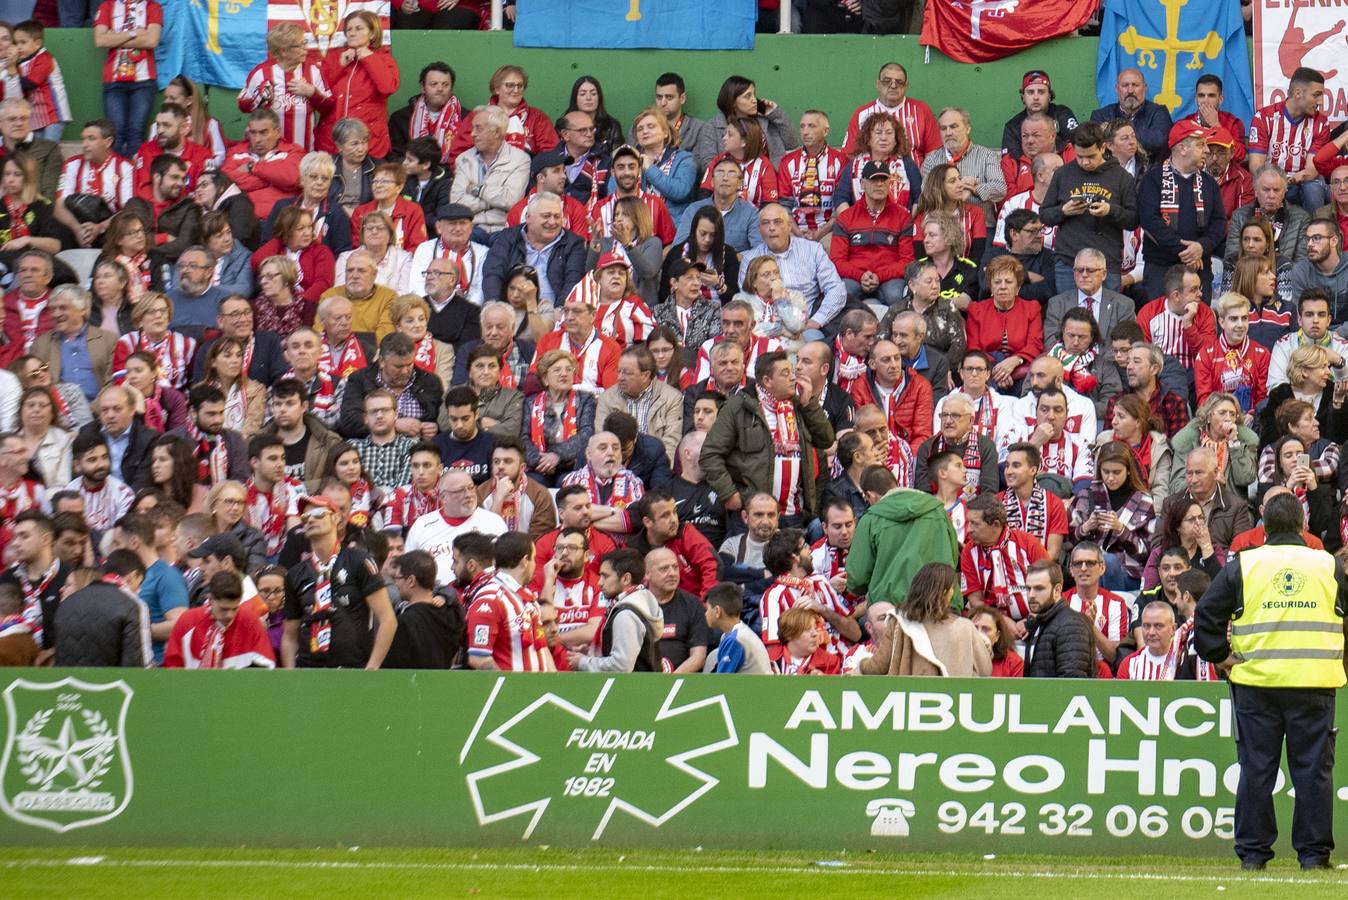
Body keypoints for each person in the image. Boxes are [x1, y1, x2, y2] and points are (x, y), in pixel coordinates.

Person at [1195, 492, 1345, 870]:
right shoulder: (1328, 565)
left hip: (1256, 685)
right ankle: (1313, 856)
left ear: (1263, 529)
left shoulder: (1243, 565)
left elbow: (1205, 616)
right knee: (1313, 772)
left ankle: (1253, 855)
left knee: (1257, 770)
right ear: (1303, 526)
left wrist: (1220, 655)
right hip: (1313, 683)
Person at [281, 494, 395, 669]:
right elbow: (289, 636)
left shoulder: (359, 561)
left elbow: (387, 619)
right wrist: (291, 675)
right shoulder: (295, 574)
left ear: (336, 518)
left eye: (319, 513)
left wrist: (371, 669)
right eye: (305, 517)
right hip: (308, 673)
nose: (310, 519)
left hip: (352, 671)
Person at [1039, 123, 1139, 291]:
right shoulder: (1063, 174)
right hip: (1068, 261)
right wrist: (1063, 211)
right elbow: (1044, 215)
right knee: (1068, 314)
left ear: (1103, 147)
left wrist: (1110, 210)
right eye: (1079, 156)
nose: (1085, 162)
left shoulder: (1122, 177)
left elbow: (1133, 220)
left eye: (1091, 156)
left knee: (1106, 315)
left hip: (1106, 262)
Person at [845, 461, 960, 599]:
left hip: (892, 610)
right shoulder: (938, 510)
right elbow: (954, 556)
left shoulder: (870, 519)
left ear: (870, 495)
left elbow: (857, 579)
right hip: (941, 603)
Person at [1138, 122, 1228, 298]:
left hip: (1199, 268)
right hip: (1161, 269)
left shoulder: (1209, 184)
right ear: (1182, 148)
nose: (1207, 151)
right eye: (1201, 144)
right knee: (1160, 323)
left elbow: (1219, 223)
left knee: (1198, 323)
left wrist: (1201, 247)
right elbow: (1150, 221)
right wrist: (1186, 252)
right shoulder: (1153, 179)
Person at [860, 561, 990, 677]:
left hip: (910, 700)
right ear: (945, 592)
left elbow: (878, 667)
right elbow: (985, 670)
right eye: (953, 588)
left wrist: (862, 662)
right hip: (955, 700)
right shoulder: (965, 627)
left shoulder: (899, 622)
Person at [1071, 441, 1156, 590]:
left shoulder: (1144, 501)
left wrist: (1122, 530)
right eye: (1106, 472)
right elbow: (1069, 541)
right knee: (1098, 564)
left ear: (1128, 470)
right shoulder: (1087, 494)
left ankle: (1111, 607)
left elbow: (1147, 553)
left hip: (1129, 574)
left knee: (1108, 561)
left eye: (1116, 472)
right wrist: (1085, 527)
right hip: (1089, 570)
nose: (1110, 478)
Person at [315, 11, 398, 160]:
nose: (352, 33)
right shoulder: (335, 58)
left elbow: (387, 87)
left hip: (369, 143)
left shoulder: (384, 59)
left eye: (359, 29)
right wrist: (340, 65)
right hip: (332, 142)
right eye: (349, 29)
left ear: (372, 33)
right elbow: (321, 94)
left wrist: (369, 57)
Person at [236, 24, 331, 153]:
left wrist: (312, 93)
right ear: (283, 51)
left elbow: (329, 107)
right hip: (270, 154)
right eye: (300, 45)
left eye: (305, 43)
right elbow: (243, 106)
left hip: (305, 152)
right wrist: (260, 98)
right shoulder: (261, 73)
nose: (306, 49)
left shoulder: (313, 70)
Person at [405, 467, 507, 586]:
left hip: (481, 596)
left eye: (470, 488)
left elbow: (506, 569)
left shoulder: (493, 522)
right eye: (460, 491)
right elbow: (409, 569)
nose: (468, 494)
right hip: (434, 599)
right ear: (443, 497)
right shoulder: (422, 525)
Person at [568, 548, 663, 673]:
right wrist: (594, 653)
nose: (600, 583)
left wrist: (583, 662)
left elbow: (621, 666)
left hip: (629, 691)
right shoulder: (642, 602)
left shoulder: (625, 615)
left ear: (626, 579)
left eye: (605, 576)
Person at [52, 549, 150, 667]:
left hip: (72, 683)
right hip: (112, 684)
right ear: (134, 576)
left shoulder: (67, 603)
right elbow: (140, 662)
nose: (139, 591)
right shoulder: (133, 604)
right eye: (140, 585)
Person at [162, 570, 275, 669]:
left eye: (234, 609)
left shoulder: (251, 622)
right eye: (224, 609)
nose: (229, 615)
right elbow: (173, 667)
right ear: (210, 599)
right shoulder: (187, 621)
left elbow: (266, 667)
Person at [93, 0, 163, 158]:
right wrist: (134, 33)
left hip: (143, 81)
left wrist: (115, 37)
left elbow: (151, 40)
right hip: (114, 81)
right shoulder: (107, 6)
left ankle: (133, 178)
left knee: (136, 132)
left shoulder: (153, 7)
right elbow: (101, 40)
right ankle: (116, 179)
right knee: (115, 133)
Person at [381, 550, 462, 670]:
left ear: (411, 581)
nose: (395, 584)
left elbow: (393, 667)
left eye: (397, 578)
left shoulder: (405, 622)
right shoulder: (452, 614)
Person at [1193, 293, 1271, 414]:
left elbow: (1262, 399)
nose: (1240, 325)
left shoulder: (1262, 354)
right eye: (1233, 319)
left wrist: (1252, 416)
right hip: (1216, 421)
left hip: (1251, 422)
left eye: (1244, 318)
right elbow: (1204, 401)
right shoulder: (1206, 355)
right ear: (1221, 322)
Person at [76, 383, 158, 489]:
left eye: (117, 409)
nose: (110, 415)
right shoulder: (87, 433)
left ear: (132, 409)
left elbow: (143, 483)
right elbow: (78, 474)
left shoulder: (149, 439)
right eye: (105, 410)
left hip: (134, 500)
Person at [1021, 560, 1095, 678]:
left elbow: (1072, 684)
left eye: (1039, 588)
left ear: (1057, 590)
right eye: (1028, 588)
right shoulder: (1040, 623)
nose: (1031, 595)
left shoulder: (1071, 626)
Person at [122, 155, 200, 263]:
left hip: (174, 267)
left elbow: (185, 245)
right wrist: (164, 238)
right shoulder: (135, 204)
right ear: (157, 177)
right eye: (174, 177)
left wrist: (146, 253)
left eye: (183, 178)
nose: (181, 184)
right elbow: (127, 240)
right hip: (135, 267)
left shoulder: (189, 207)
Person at [1089, 67, 1174, 162]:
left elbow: (1159, 141)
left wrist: (1117, 137)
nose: (1130, 91)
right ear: (1117, 89)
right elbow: (1095, 144)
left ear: (1145, 88)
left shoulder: (1159, 112)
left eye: (1135, 85)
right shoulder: (1101, 115)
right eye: (1125, 85)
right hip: (1111, 173)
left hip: (1149, 174)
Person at [704, 581, 770, 674]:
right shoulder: (733, 634)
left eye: (707, 609)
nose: (705, 614)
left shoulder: (736, 639)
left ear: (717, 611)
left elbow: (720, 681)